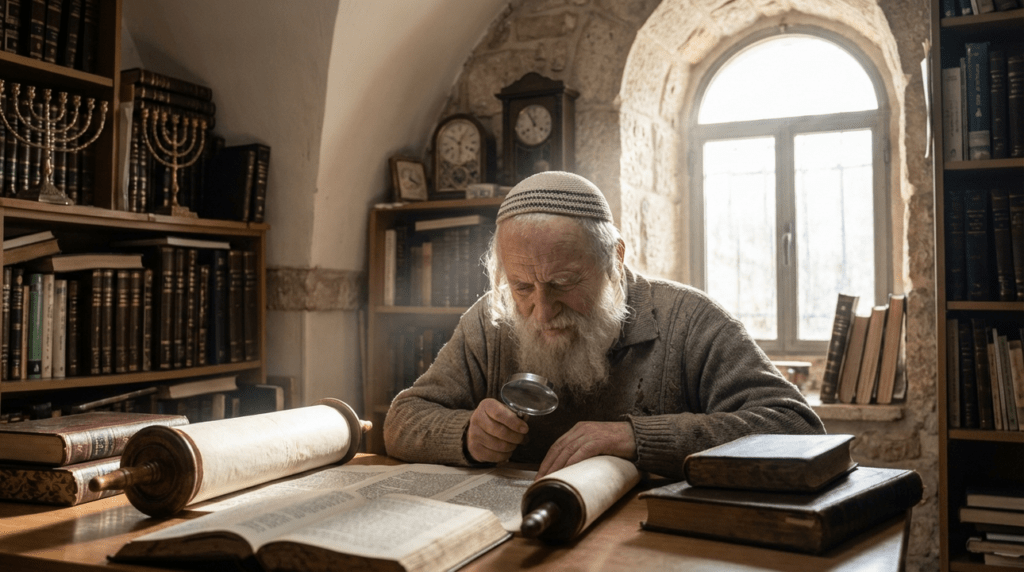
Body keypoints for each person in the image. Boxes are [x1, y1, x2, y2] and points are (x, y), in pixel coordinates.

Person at [383, 171, 825, 480]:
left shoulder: (689, 321)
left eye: (563, 283)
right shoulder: (490, 318)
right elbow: (402, 419)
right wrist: (466, 435)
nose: (541, 311)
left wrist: (636, 438)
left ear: (614, 260)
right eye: (521, 286)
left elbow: (797, 428)